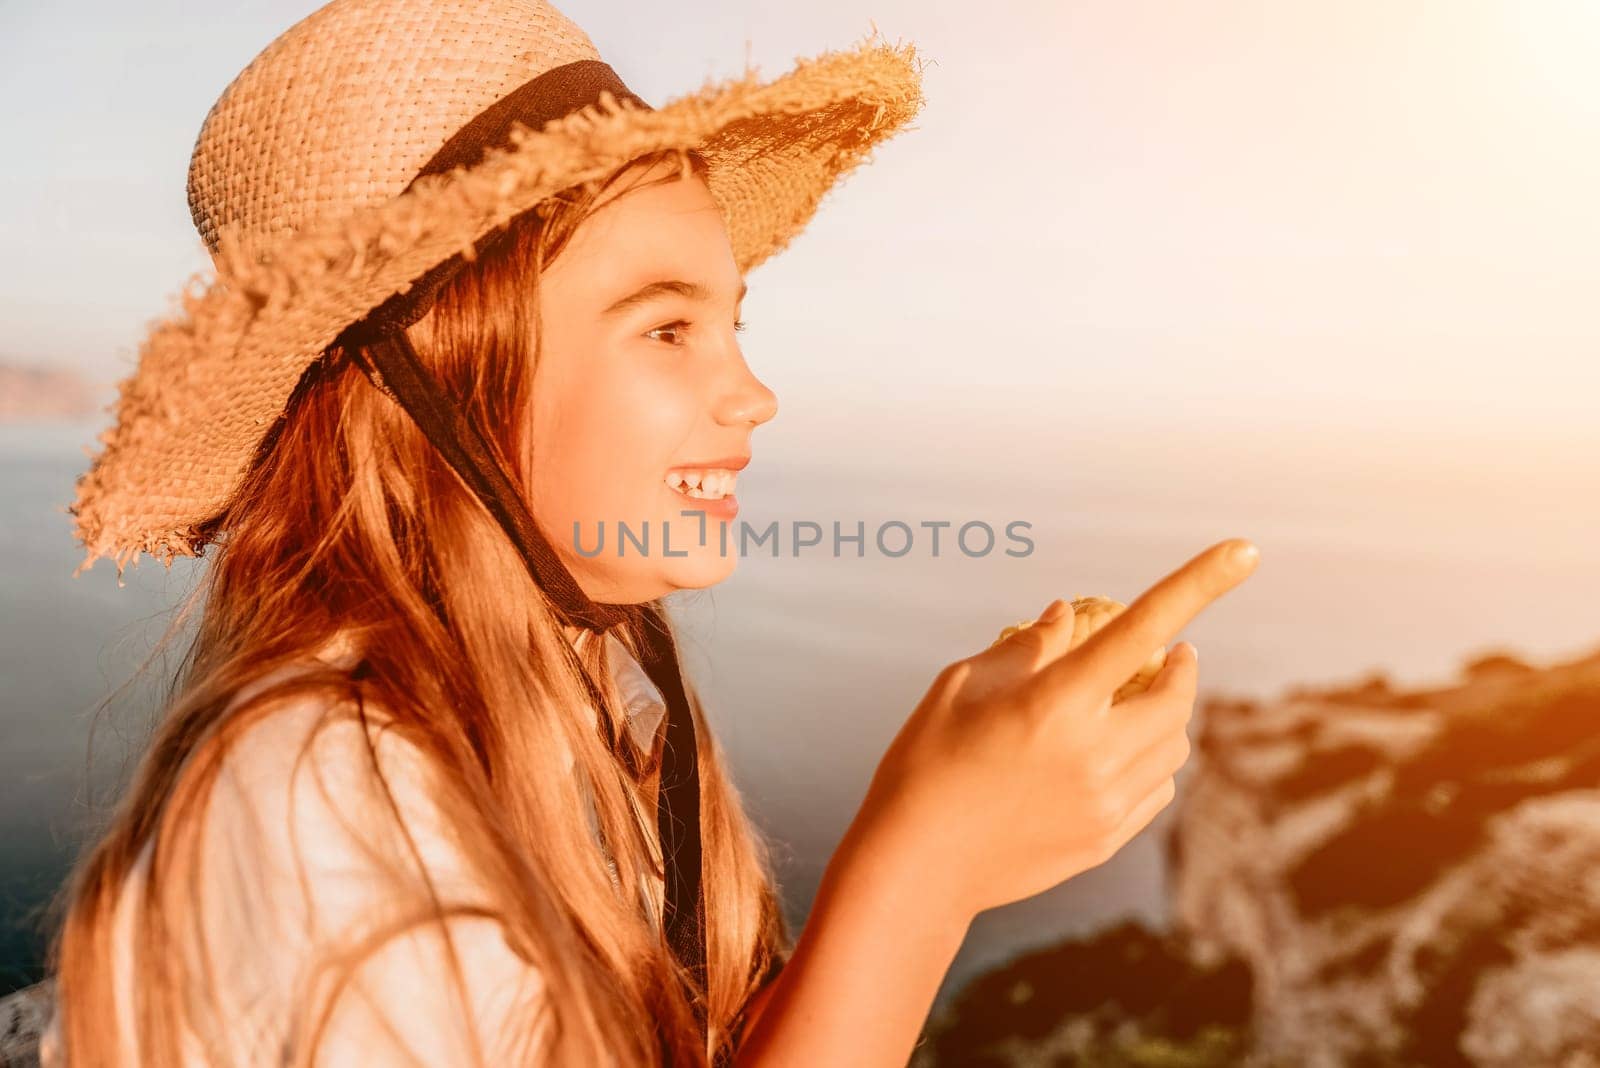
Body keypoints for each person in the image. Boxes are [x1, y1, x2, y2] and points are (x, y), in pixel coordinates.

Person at [44, 1, 1260, 1065]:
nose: (754, 394)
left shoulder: (566, 713)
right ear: (444, 380)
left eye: (732, 321)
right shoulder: (325, 807)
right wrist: (920, 874)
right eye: (666, 329)